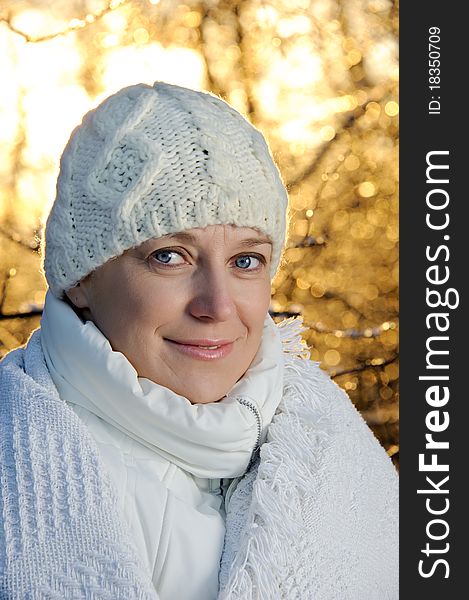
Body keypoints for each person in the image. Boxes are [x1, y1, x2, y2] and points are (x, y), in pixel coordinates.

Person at [0, 81, 398, 599]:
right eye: (170, 256)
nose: (218, 305)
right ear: (82, 278)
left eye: (245, 261)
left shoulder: (340, 466)